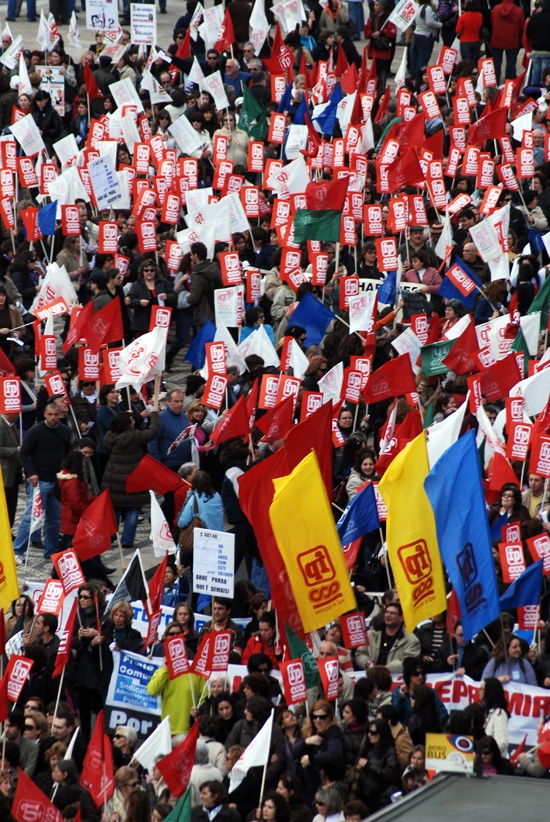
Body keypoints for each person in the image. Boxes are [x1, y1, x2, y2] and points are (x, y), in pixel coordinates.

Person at [13, 401, 71, 562]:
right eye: (50, 415)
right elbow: (23, 454)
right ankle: (18, 550)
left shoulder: (65, 431)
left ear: (60, 414)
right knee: (31, 517)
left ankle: (51, 551)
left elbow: (68, 454)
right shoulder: (35, 431)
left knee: (55, 519)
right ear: (45, 414)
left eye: (55, 415)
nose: (53, 418)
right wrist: (31, 473)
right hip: (39, 482)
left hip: (57, 481)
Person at [101, 409, 161, 548]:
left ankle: (109, 535)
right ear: (128, 424)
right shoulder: (135, 436)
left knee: (115, 509)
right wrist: (155, 415)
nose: (134, 421)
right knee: (132, 509)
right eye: (131, 420)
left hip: (113, 477)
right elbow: (153, 431)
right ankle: (127, 540)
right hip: (132, 478)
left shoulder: (110, 435)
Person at [292, 699, 346, 804]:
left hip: (328, 785)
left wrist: (311, 759)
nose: (318, 720)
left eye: (322, 717)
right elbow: (293, 752)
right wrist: (306, 742)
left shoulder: (333, 731)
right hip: (308, 784)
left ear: (330, 717)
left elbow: (334, 753)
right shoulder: (310, 731)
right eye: (314, 717)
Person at [355, 603, 421, 672]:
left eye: (392, 613)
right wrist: (366, 662)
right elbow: (360, 654)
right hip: (371, 676)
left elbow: (408, 663)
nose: (388, 615)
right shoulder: (371, 634)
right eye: (386, 612)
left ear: (401, 618)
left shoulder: (412, 640)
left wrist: (385, 669)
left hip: (396, 679)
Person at [187, 242, 223, 328]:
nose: (191, 257)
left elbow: (194, 297)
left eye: (191, 255)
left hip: (203, 315)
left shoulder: (197, 273)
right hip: (217, 312)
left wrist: (188, 297)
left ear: (195, 255)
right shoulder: (215, 268)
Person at [0, 410, 22, 529]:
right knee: (6, 505)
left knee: (12, 504)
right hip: (5, 474)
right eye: (16, 413)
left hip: (15, 473)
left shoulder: (12, 425)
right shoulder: (1, 425)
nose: (18, 416)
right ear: (9, 412)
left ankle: (9, 529)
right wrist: (16, 450)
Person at [480, 678, 510, 756]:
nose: (479, 692)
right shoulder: (485, 711)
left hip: (493, 764)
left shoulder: (499, 714)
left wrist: (485, 753)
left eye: (481, 689)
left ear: (489, 692)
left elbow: (502, 743)